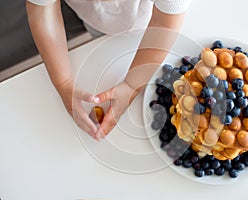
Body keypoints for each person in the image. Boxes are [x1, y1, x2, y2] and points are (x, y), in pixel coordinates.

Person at [26, 0, 192, 140]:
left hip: (152, 21)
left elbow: (164, 22)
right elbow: (43, 11)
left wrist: (132, 85)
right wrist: (63, 81)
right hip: (96, 22)